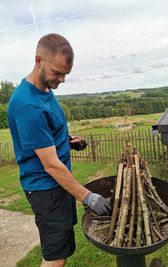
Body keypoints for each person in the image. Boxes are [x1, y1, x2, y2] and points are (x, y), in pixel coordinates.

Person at [7, 33, 111, 267]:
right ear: (38, 60)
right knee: (55, 258)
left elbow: (49, 131)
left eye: (65, 74)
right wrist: (88, 196)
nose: (62, 80)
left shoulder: (44, 90)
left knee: (61, 248)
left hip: (56, 185)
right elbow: (50, 164)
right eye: (57, 72)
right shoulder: (28, 105)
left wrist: (67, 140)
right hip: (46, 189)